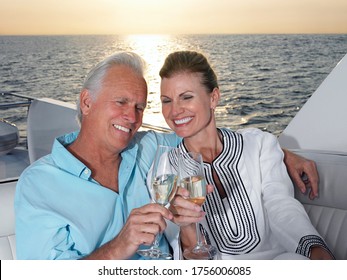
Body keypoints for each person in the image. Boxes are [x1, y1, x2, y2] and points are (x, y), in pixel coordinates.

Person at [14, 51, 321, 260]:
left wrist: (281, 152)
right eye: (120, 102)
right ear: (86, 102)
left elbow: (200, 126)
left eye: (139, 107)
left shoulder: (149, 149)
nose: (132, 117)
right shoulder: (39, 184)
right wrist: (120, 245)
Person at [158, 50, 334, 259]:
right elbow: (191, 259)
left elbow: (280, 205)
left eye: (186, 97)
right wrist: (186, 226)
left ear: (213, 98)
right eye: (166, 100)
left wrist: (315, 251)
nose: (174, 111)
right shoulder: (166, 169)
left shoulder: (259, 145)